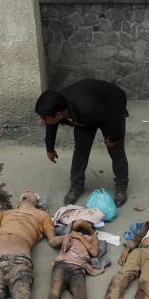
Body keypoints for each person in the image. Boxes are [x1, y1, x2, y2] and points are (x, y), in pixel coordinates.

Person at [34, 79, 130, 207]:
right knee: (80, 151)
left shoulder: (87, 107)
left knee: (116, 151)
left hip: (110, 109)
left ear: (58, 114)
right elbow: (51, 124)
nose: (42, 121)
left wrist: (113, 138)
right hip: (85, 116)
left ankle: (121, 188)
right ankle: (76, 187)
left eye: (44, 118)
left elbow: (116, 117)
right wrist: (49, 148)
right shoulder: (58, 104)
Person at [33, 219, 101, 299]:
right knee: (54, 295)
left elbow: (94, 253)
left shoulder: (92, 238)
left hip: (78, 270)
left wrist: (83, 236)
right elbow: (54, 242)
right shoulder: (68, 234)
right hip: (62, 266)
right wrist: (68, 235)